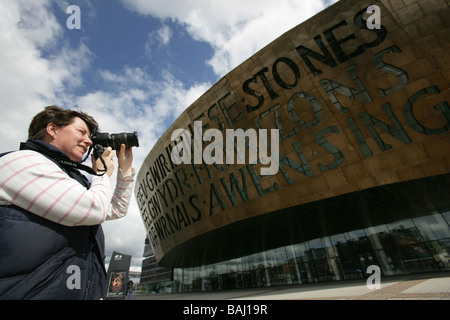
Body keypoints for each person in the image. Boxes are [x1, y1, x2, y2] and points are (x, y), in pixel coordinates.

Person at [0, 106, 135, 300]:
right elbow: (94, 209)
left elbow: (113, 210)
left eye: (90, 136)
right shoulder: (22, 162)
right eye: (81, 132)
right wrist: (101, 174)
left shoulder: (68, 176)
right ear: (52, 129)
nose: (89, 141)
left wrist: (125, 172)